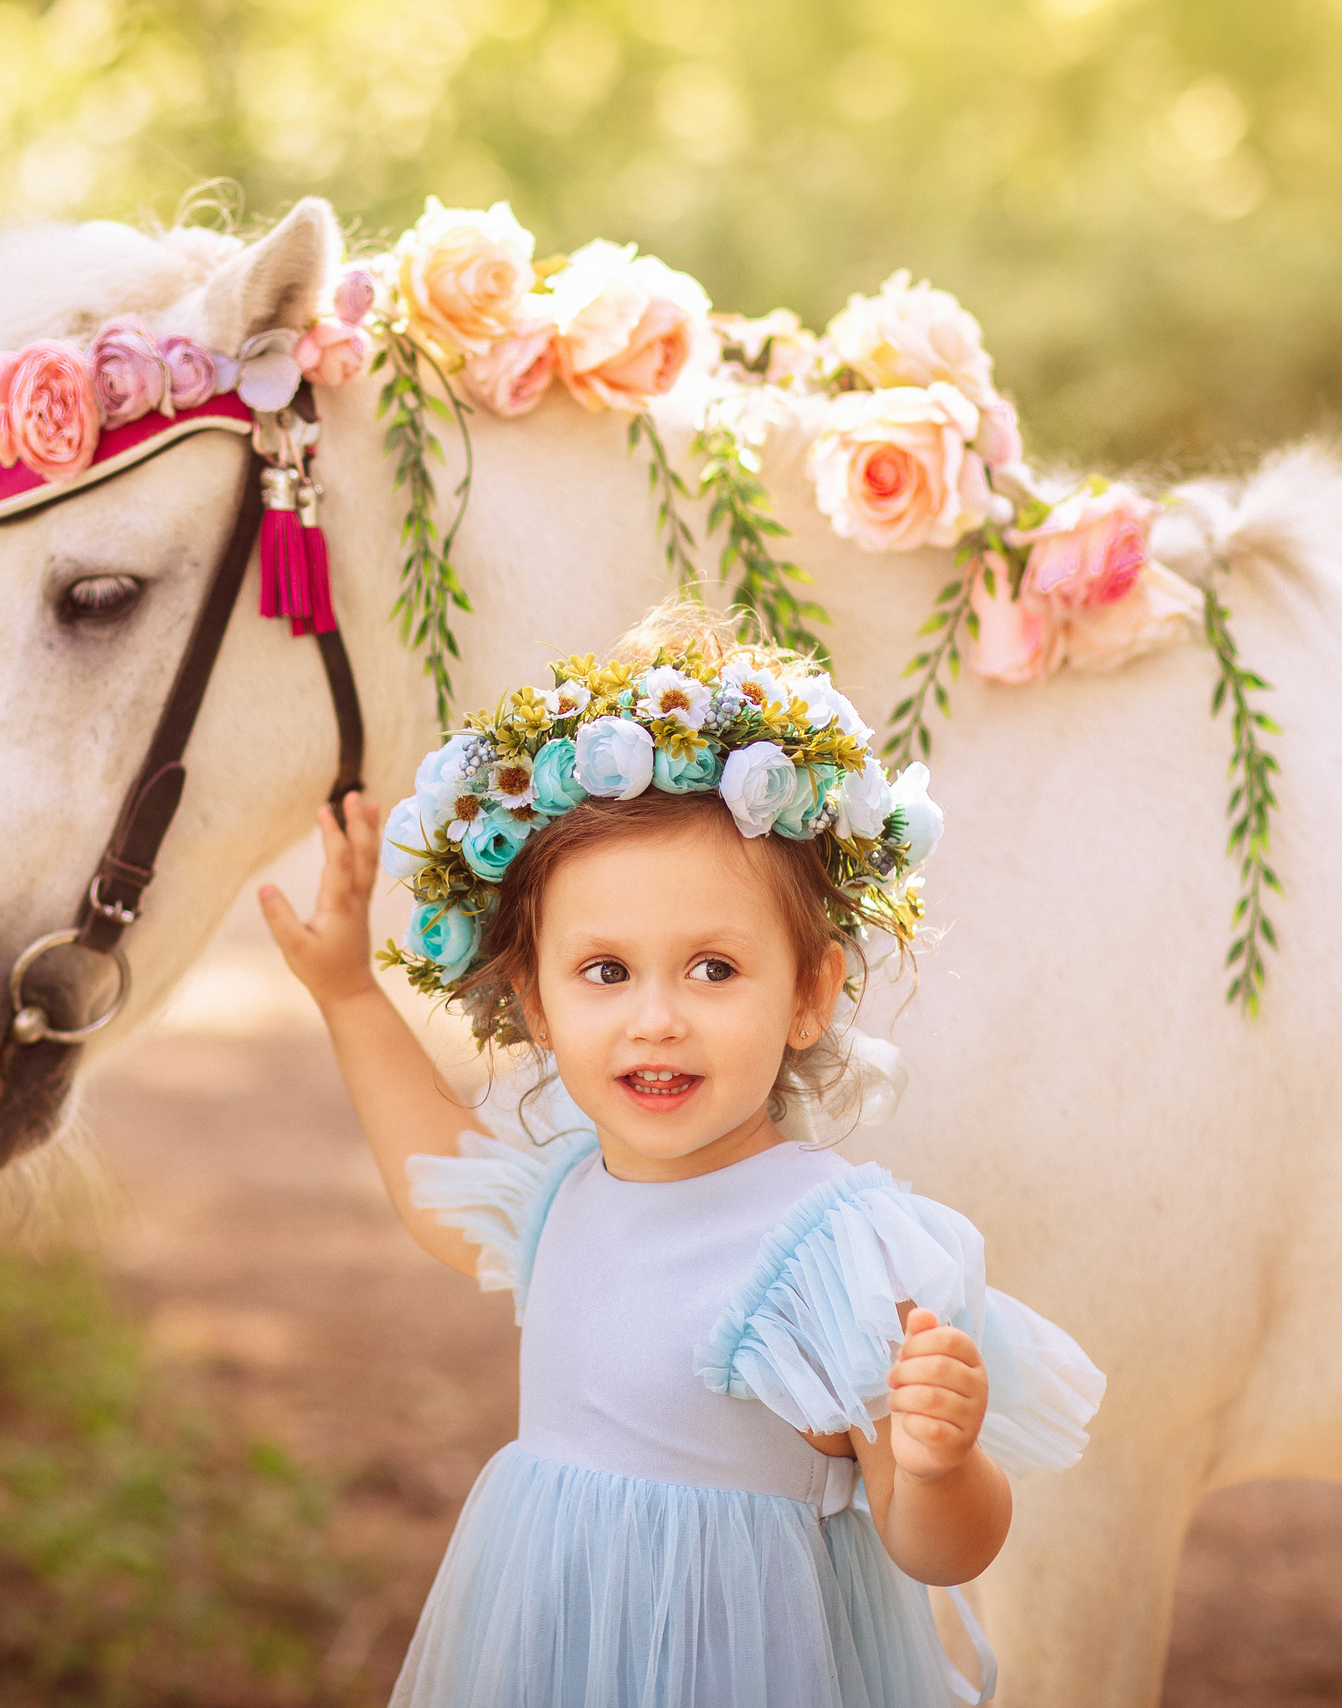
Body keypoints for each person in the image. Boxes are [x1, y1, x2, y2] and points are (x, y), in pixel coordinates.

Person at [260, 603, 1104, 1707]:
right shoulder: (565, 1191)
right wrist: (344, 992)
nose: (655, 1018)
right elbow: (434, 1179)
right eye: (605, 971)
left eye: (712, 969)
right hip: (559, 1651)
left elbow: (938, 1548)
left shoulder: (828, 1250)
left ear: (809, 992)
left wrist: (944, 1467)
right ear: (535, 1000)